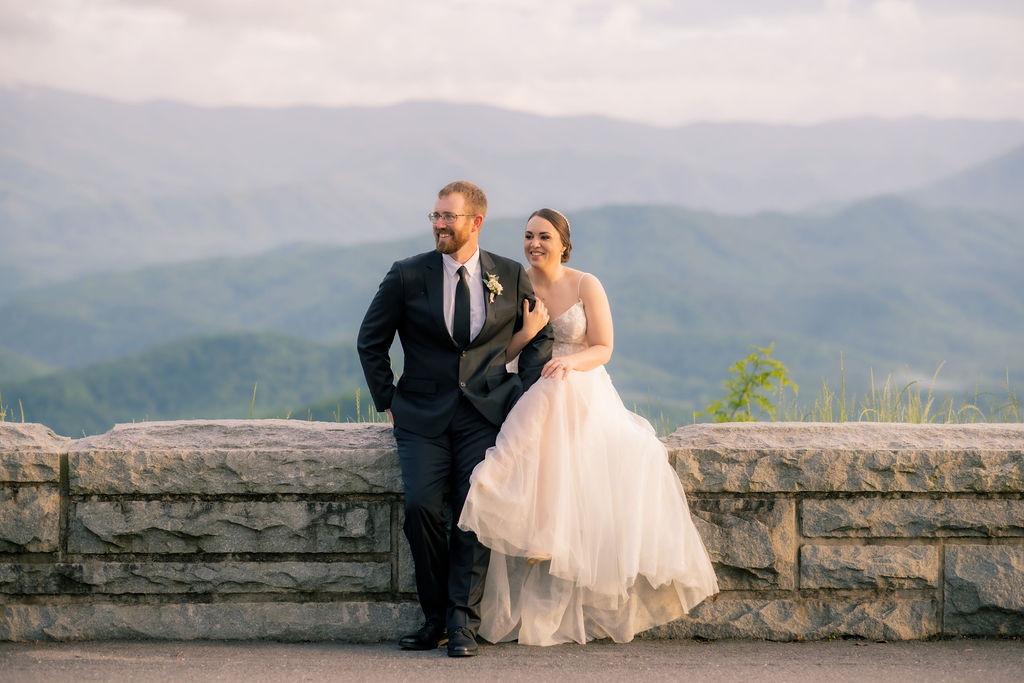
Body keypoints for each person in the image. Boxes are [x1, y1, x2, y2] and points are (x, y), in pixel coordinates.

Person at [458, 208, 719, 646]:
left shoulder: (585, 284)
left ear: (563, 243)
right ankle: (528, 522)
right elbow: (499, 354)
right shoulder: (514, 283)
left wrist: (569, 362)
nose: (534, 244)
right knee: (546, 395)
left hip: (581, 381)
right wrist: (528, 334)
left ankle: (527, 515)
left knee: (559, 392)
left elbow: (603, 347)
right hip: (531, 382)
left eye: (543, 236)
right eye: (527, 236)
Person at [357, 181, 553, 657]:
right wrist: (390, 400)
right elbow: (371, 341)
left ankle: (462, 622)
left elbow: (540, 339)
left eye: (449, 217)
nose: (440, 224)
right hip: (420, 416)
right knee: (421, 507)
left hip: (484, 415)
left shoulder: (508, 274)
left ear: (475, 222)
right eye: (435, 216)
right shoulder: (406, 275)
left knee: (474, 508)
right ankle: (435, 618)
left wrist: (520, 398)